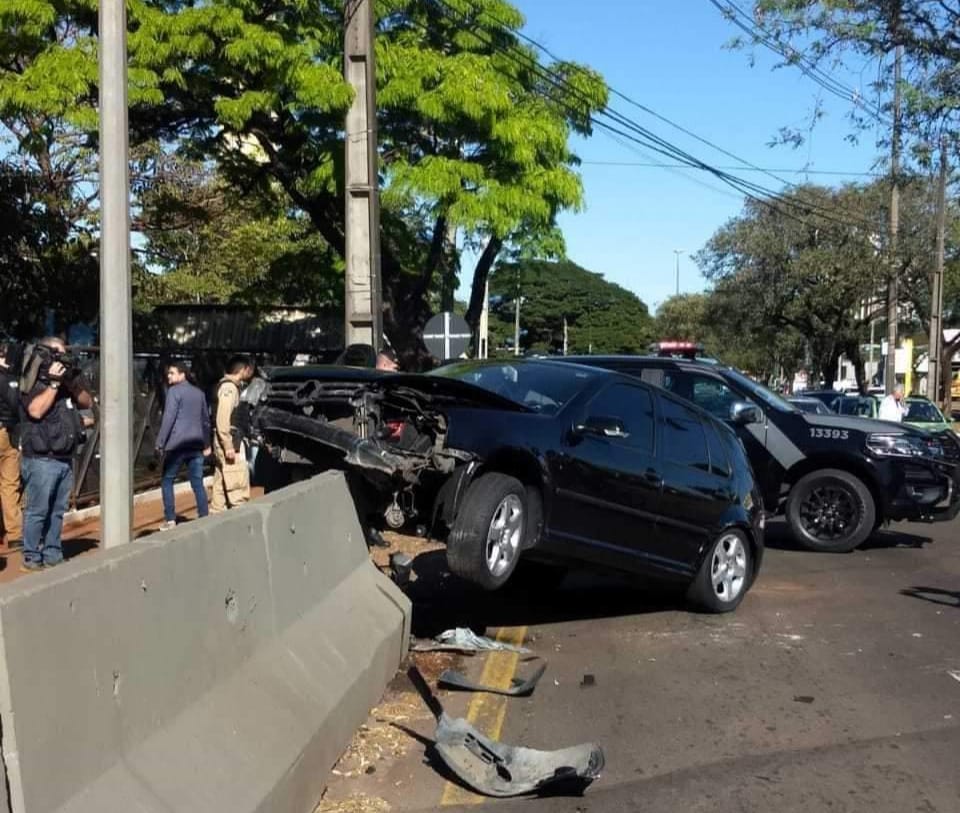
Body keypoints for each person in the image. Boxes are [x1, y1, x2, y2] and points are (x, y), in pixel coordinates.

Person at [19, 338, 94, 572]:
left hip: (64, 458)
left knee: (57, 511)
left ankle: (52, 552)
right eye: (58, 354)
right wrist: (52, 384)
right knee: (38, 511)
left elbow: (86, 401)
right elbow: (35, 410)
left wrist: (70, 383)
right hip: (41, 459)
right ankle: (32, 556)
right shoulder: (33, 381)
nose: (62, 359)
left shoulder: (66, 383)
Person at [155, 361, 211, 530]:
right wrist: (207, 443)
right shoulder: (199, 393)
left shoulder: (173, 392)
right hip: (196, 445)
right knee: (197, 482)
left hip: (177, 445)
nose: (169, 376)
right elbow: (205, 420)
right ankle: (204, 515)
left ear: (182, 374)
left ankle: (170, 519)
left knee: (167, 480)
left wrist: (160, 443)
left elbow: (168, 419)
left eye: (172, 373)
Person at [210, 355, 255, 513]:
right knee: (237, 485)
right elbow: (223, 419)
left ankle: (216, 514)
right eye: (250, 369)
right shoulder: (229, 388)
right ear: (242, 369)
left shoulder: (230, 386)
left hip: (226, 440)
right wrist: (228, 445)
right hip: (230, 441)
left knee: (221, 484)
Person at [0, 343, 22, 547]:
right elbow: (17, 406)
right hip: (8, 433)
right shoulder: (10, 379)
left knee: (9, 484)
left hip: (5, 432)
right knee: (9, 485)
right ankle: (15, 534)